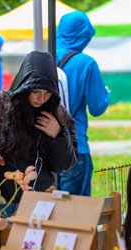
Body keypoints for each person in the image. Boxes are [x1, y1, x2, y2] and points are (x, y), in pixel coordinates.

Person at [0, 51, 78, 215]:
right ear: (25, 86)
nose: (41, 98)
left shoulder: (58, 115)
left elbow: (63, 165)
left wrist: (58, 135)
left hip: (39, 204)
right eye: (36, 91)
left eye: (47, 93)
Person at [56, 11, 110, 196]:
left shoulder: (43, 55)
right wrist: (106, 95)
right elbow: (97, 107)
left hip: (45, 148)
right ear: (84, 35)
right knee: (77, 215)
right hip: (75, 146)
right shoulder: (86, 63)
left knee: (48, 212)